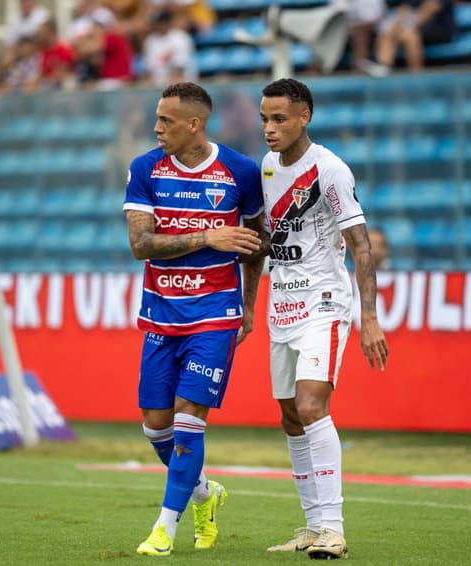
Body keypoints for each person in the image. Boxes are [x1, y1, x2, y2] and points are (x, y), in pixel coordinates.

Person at [122, 82, 268, 556]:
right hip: (161, 311)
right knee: (155, 424)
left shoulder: (241, 172)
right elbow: (141, 245)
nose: (156, 127)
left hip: (215, 311)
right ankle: (205, 492)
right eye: (156, 119)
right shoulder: (145, 169)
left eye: (165, 120)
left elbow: (253, 243)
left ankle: (164, 529)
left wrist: (247, 306)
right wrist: (210, 236)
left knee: (189, 419)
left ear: (194, 124)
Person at [259, 78, 389, 559]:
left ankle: (334, 529)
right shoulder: (269, 168)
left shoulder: (330, 169)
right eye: (264, 120)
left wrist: (368, 318)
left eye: (279, 119)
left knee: (313, 407)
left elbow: (361, 244)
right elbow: (269, 241)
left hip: (324, 303)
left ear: (304, 117)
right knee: (291, 416)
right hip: (281, 306)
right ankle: (312, 528)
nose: (269, 130)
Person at [374, 0, 456, 73]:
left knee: (410, 36)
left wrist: (403, 28)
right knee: (388, 33)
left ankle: (416, 75)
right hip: (415, 28)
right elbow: (404, 8)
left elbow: (427, 12)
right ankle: (383, 68)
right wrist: (396, 27)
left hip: (440, 30)